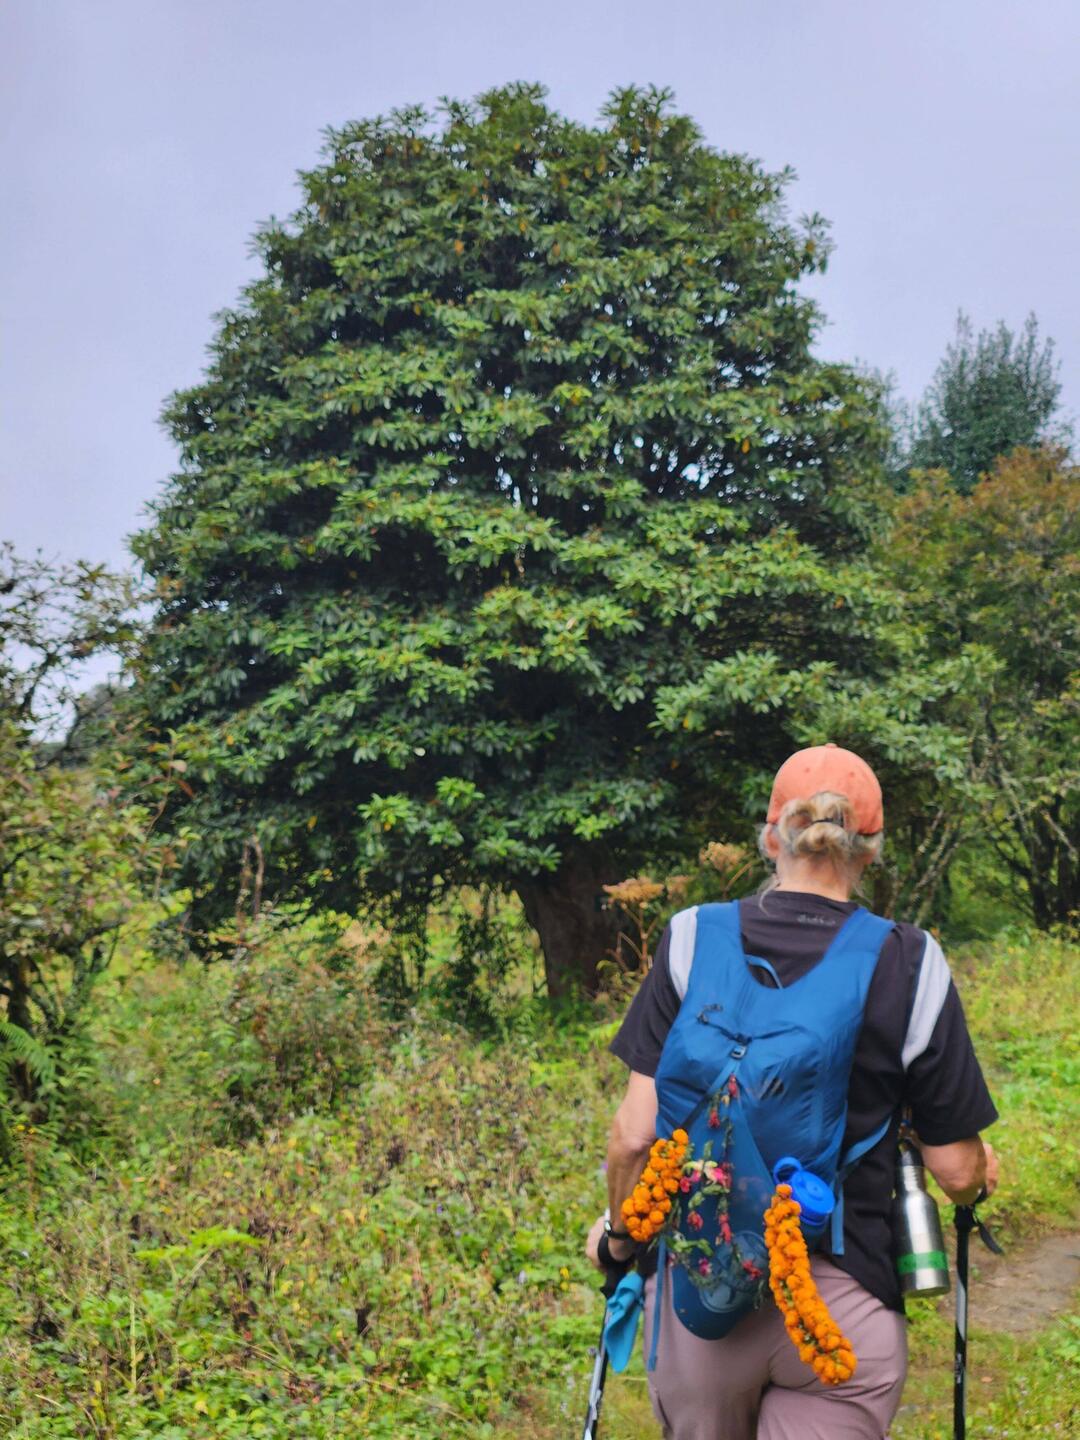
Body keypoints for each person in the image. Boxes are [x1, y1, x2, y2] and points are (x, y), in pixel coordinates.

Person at [586, 743, 999, 1440]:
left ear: (772, 836)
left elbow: (633, 1135)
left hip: (704, 1298)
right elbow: (956, 1171)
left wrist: (620, 1240)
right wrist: (980, 1175)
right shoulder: (911, 961)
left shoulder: (690, 938)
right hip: (841, 1309)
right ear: (869, 850)